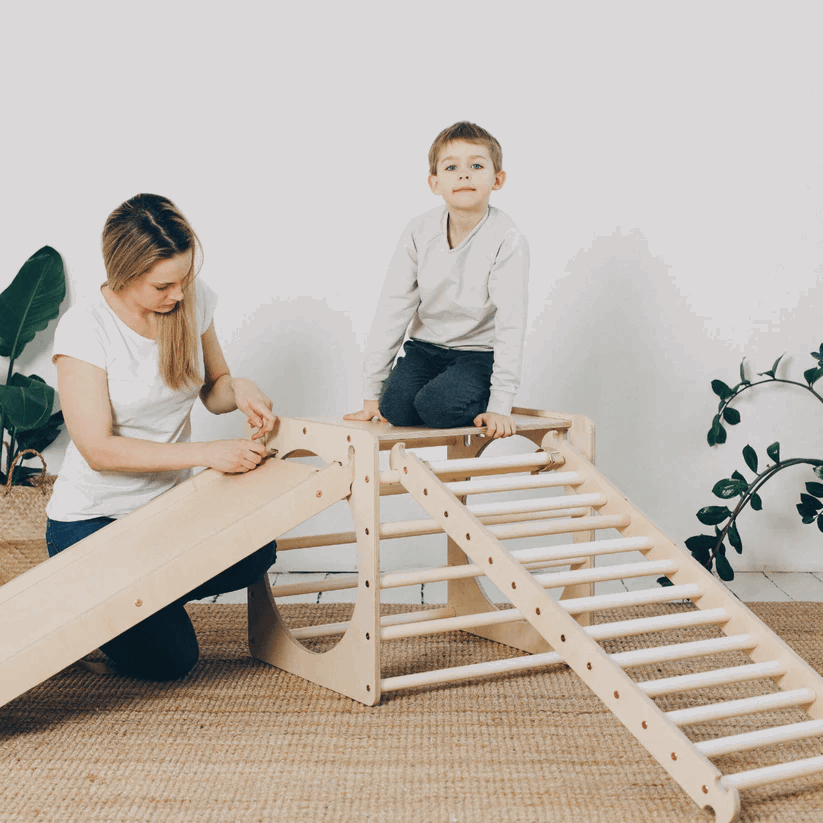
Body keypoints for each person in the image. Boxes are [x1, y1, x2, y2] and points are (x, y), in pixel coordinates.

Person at [45, 193, 278, 681]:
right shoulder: (85, 329)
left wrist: (240, 389)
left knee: (258, 551)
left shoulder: (191, 298)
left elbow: (214, 388)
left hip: (164, 517)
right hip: (91, 523)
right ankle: (98, 605)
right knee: (171, 660)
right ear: (124, 273)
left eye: (185, 279)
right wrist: (206, 454)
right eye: (163, 285)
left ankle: (132, 600)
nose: (179, 294)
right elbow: (98, 450)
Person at [345, 121, 529, 439]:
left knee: (437, 408)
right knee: (394, 409)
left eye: (476, 166)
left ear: (497, 179)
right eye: (452, 167)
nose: (464, 175)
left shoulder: (506, 237)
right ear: (434, 182)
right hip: (425, 350)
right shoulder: (420, 230)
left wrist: (500, 404)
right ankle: (432, 391)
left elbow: (511, 322)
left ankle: (474, 392)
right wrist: (371, 393)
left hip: (477, 355)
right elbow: (393, 307)